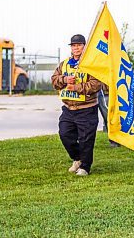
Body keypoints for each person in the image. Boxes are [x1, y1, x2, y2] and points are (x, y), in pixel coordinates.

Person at [51, 34, 102, 176]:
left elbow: (96, 84)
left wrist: (77, 87)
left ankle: (85, 167)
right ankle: (78, 159)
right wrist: (65, 79)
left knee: (86, 139)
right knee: (65, 134)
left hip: (87, 108)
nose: (76, 48)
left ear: (85, 47)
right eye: (74, 45)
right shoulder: (64, 64)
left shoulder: (92, 64)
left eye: (79, 45)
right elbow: (54, 80)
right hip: (68, 108)